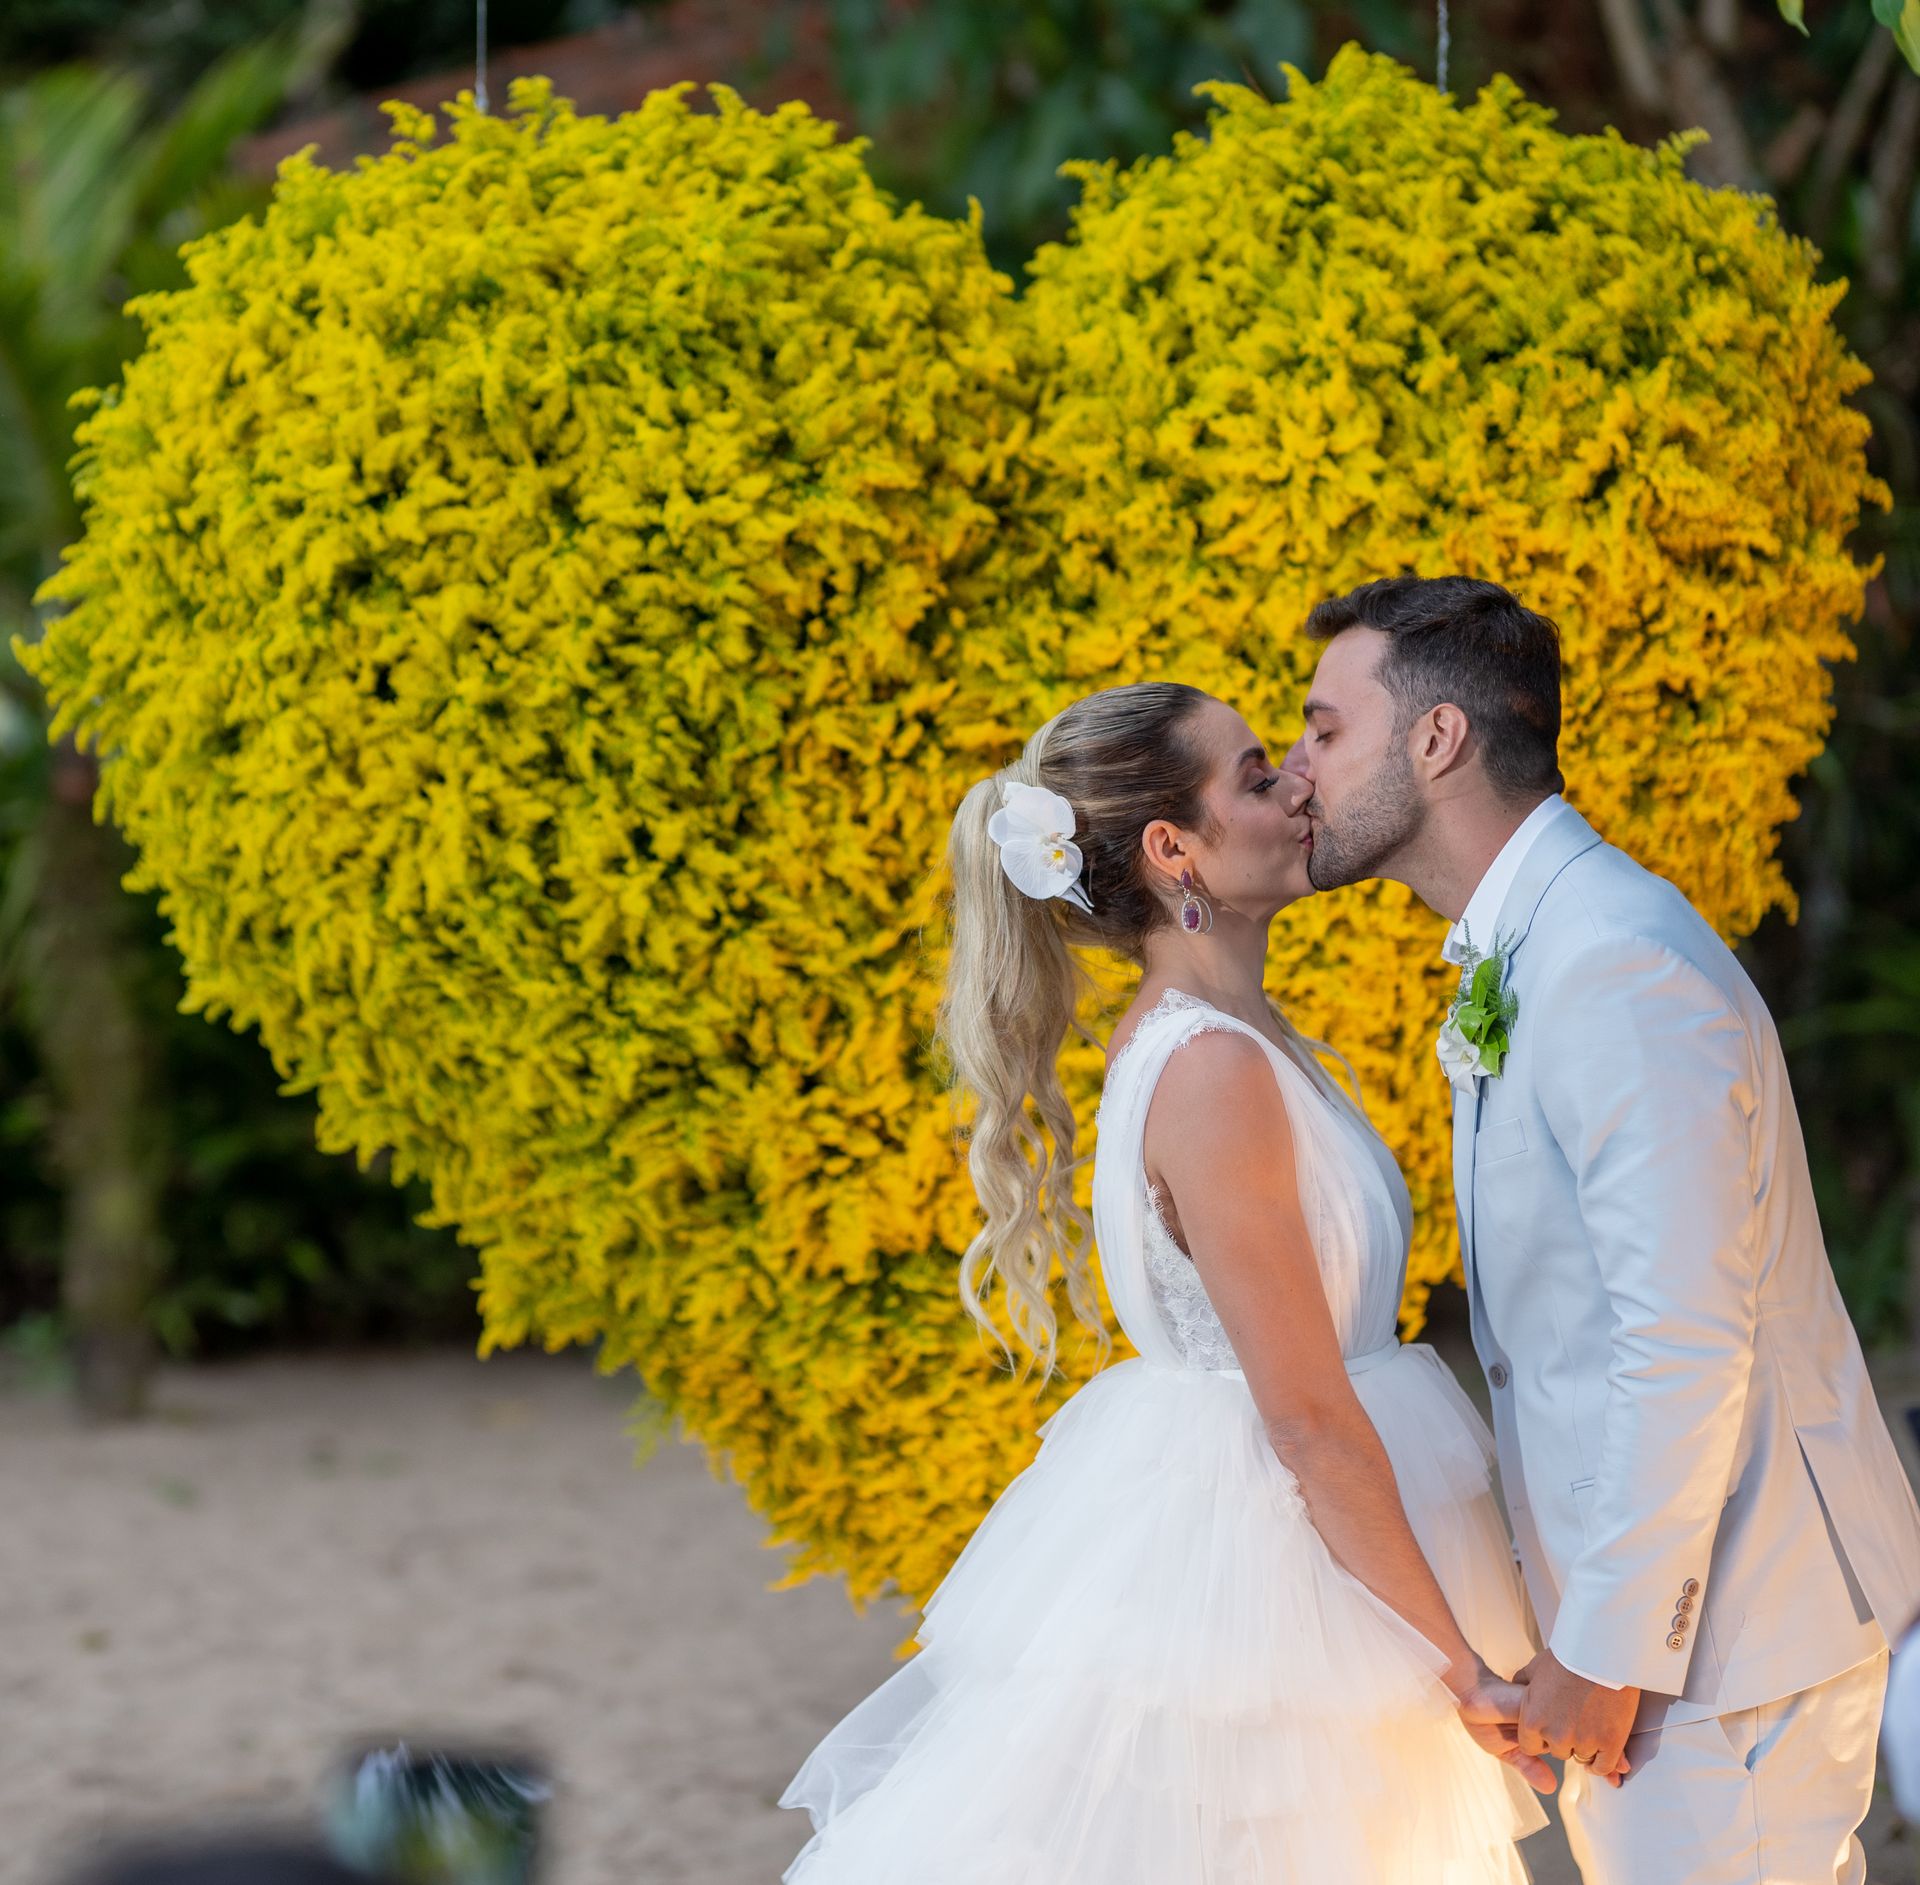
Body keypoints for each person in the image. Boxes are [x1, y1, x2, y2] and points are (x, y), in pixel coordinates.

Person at [780, 682, 1553, 1880]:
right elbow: (1305, 1419)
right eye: (1255, 773)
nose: (1297, 780)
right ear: (1171, 847)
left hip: (1292, 1542)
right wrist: (1460, 1668)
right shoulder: (1209, 1072)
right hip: (1271, 1576)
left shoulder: (1238, 1037)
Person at [1295, 574, 1920, 1885]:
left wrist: (1608, 1649)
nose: (1298, 773)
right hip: (1671, 1643)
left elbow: (1687, 1339)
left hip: (1737, 1635)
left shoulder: (1612, 961)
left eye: (1322, 728)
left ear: (1437, 740)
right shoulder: (1533, 951)